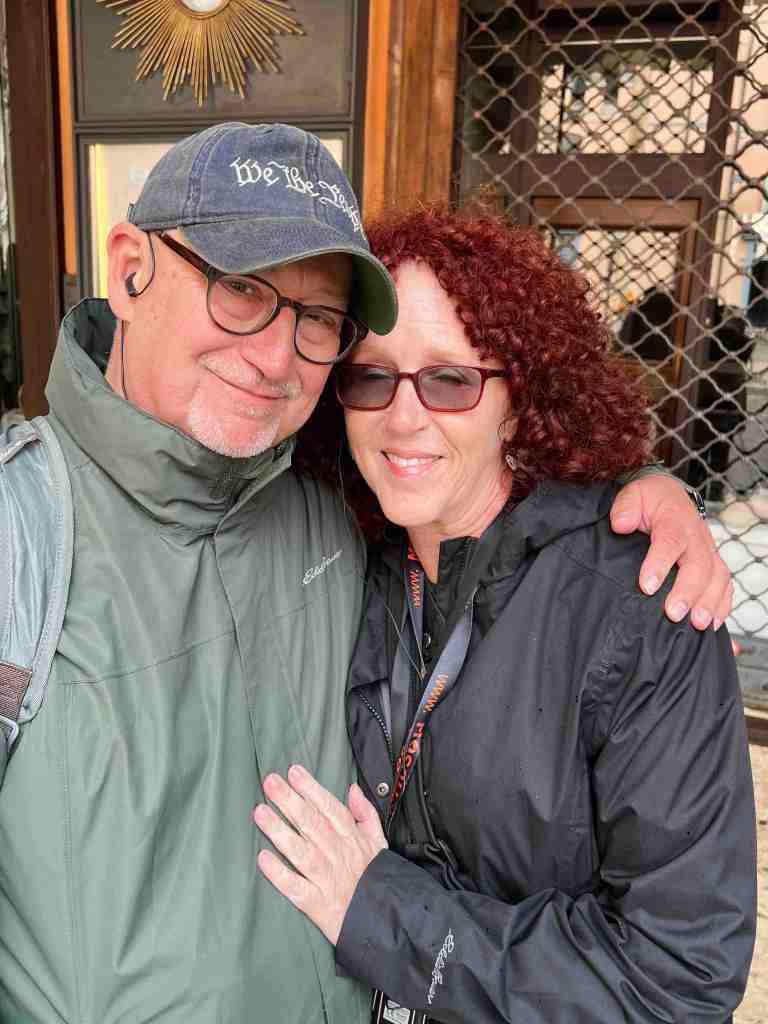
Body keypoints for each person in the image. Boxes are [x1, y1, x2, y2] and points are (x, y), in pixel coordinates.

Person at [0, 122, 731, 1022]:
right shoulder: (30, 534)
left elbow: (678, 979)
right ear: (128, 269)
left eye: (316, 322)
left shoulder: (347, 509)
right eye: (240, 289)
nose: (276, 357)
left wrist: (644, 485)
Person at [253, 204, 757, 1024]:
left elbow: (678, 982)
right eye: (372, 377)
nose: (403, 416)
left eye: (450, 380)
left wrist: (381, 912)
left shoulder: (642, 605)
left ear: (519, 400)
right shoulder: (348, 554)